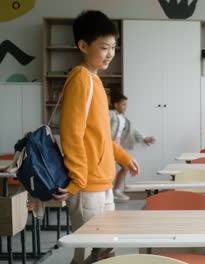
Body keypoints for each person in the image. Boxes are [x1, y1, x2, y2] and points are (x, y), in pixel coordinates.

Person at [52, 10, 140, 263]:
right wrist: (78, 179)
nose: (110, 54)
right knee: (92, 253)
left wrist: (123, 156)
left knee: (104, 252)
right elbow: (71, 134)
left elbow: (100, 135)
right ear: (83, 45)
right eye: (103, 47)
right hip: (87, 184)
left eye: (113, 47)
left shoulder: (96, 82)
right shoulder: (80, 79)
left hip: (103, 182)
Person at [110, 93, 155, 201]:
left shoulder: (123, 119)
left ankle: (115, 191)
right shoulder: (110, 114)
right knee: (111, 170)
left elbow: (133, 130)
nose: (125, 107)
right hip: (109, 147)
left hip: (118, 148)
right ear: (115, 105)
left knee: (125, 167)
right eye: (123, 104)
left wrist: (143, 138)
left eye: (126, 104)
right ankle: (108, 193)